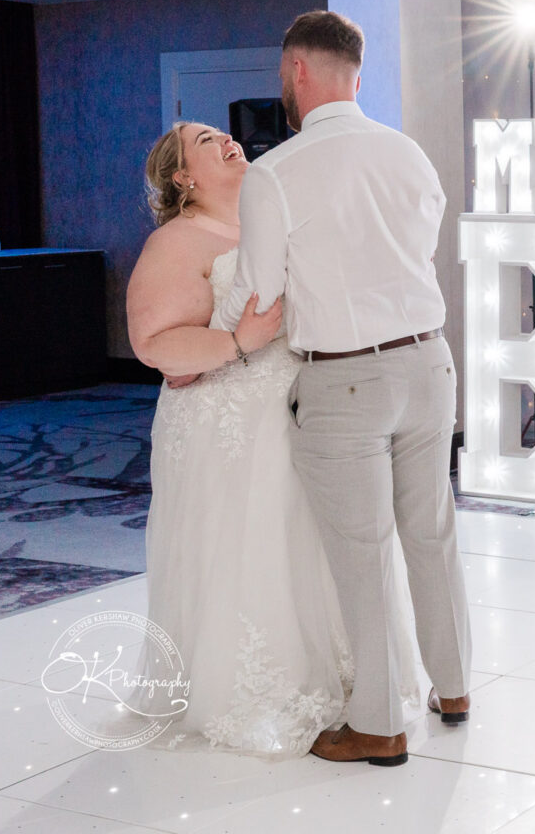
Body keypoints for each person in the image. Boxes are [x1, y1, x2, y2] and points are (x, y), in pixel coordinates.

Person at [219, 10, 471, 767]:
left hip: (346, 376)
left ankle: (379, 724)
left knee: (363, 555)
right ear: (355, 75)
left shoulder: (276, 172)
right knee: (432, 534)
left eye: (281, 74)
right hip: (430, 362)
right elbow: (419, 248)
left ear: (297, 70)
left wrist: (219, 326)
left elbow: (261, 291)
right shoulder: (407, 152)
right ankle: (454, 688)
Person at [128, 122, 360, 757]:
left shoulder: (267, 224)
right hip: (223, 421)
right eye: (206, 140)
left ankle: (341, 673)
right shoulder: (178, 239)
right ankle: (251, 688)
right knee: (246, 541)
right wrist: (236, 342)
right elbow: (153, 342)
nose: (228, 139)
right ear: (182, 177)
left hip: (293, 408)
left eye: (225, 134)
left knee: (301, 537)